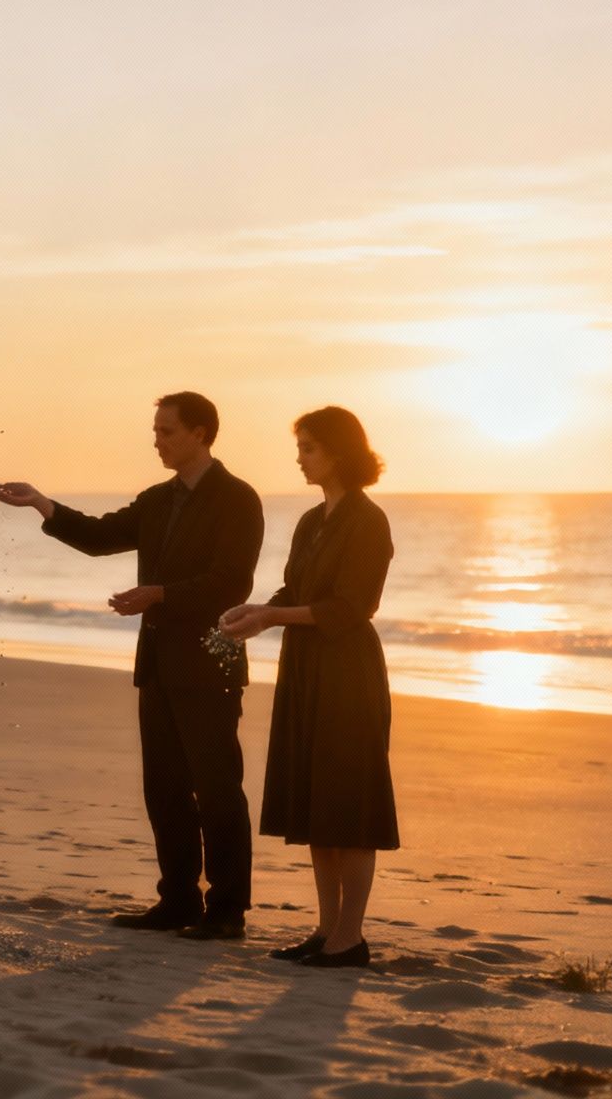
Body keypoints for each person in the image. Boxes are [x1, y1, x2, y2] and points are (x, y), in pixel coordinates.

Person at [0, 391, 264, 940]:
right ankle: (179, 900)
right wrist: (42, 502)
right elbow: (98, 536)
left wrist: (160, 593)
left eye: (167, 431)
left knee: (216, 789)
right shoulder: (157, 500)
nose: (157, 440)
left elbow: (233, 582)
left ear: (201, 433)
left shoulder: (238, 499)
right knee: (163, 788)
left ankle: (227, 910)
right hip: (158, 663)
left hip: (210, 660)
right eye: (156, 431)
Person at [220, 406, 398, 969]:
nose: (299, 457)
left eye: (309, 447)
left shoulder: (369, 521)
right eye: (300, 446)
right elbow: (295, 590)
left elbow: (351, 607)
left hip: (347, 671)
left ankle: (351, 937)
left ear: (340, 453)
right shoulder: (310, 520)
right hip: (307, 666)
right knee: (320, 803)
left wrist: (275, 618)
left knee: (351, 804)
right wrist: (256, 612)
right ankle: (325, 932)